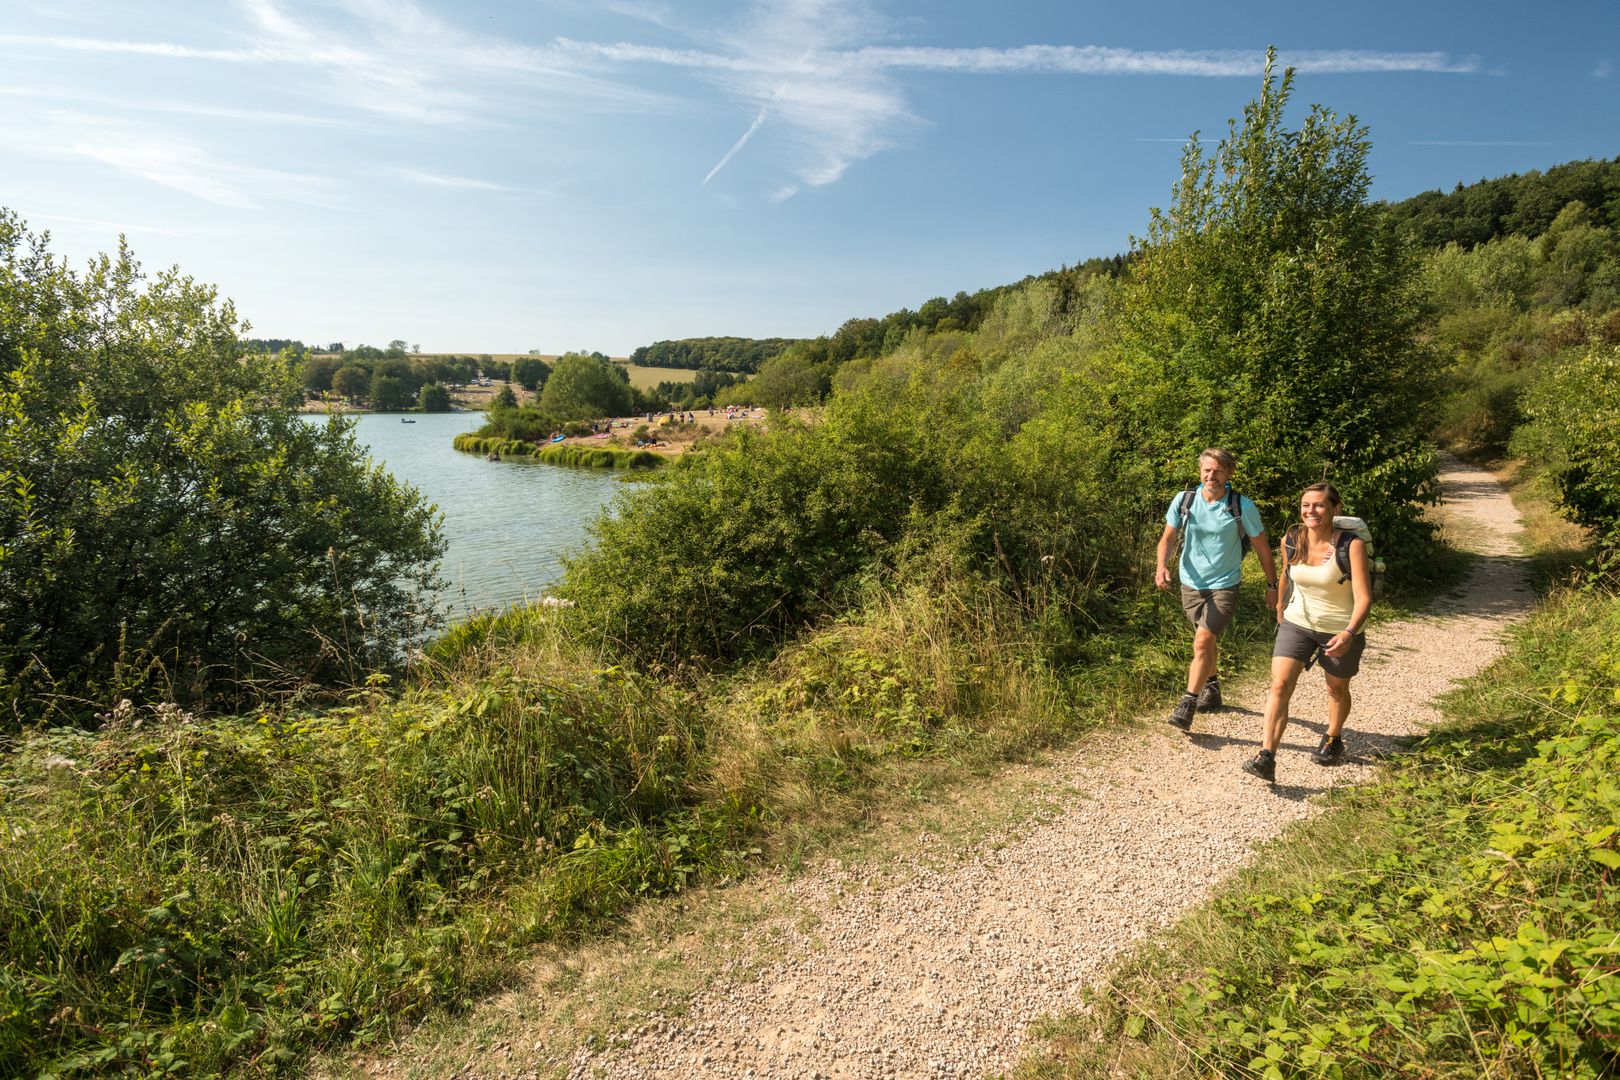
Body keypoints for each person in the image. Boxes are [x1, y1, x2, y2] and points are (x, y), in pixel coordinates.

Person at [1243, 482, 1372, 783]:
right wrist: (1280, 608)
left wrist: (1349, 633)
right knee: (1279, 685)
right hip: (1297, 622)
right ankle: (1266, 756)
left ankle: (1333, 738)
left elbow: (1364, 597)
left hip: (1340, 628)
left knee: (1336, 689)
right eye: (1305, 505)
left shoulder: (1351, 545)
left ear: (1335, 509)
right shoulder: (1292, 539)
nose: (1310, 511)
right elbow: (1287, 574)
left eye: (1319, 505)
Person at [1155, 448, 1279, 731]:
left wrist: (1272, 585)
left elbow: (1262, 548)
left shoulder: (1242, 506)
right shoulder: (1184, 499)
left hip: (1224, 585)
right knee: (1205, 640)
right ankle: (1212, 688)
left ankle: (1187, 703)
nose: (1211, 476)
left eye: (1218, 471)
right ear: (1200, 471)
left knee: (1201, 641)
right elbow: (1168, 537)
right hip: (1190, 582)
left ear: (1229, 473)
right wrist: (1161, 566)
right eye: (1207, 470)